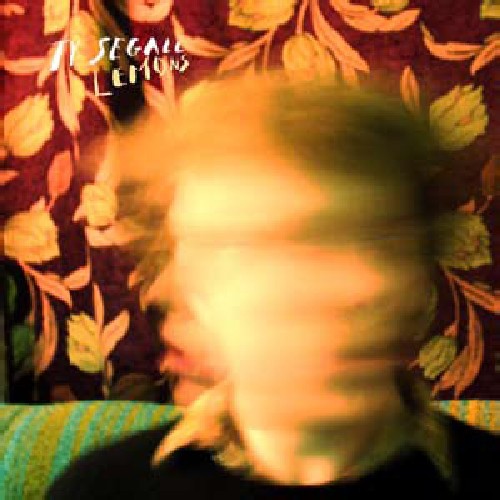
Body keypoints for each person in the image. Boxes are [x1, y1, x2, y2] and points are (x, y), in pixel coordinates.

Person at [47, 74, 499, 499]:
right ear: (188, 291)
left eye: (378, 241)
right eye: (255, 247)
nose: (354, 285)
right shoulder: (99, 490)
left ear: (418, 277)